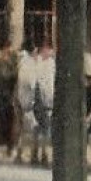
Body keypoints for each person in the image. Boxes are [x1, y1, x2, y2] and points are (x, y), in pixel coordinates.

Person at [16, 39, 56, 167]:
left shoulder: (48, 63)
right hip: (35, 100)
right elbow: (31, 82)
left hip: (41, 100)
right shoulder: (31, 63)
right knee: (36, 128)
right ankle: (33, 153)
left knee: (40, 128)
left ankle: (39, 153)